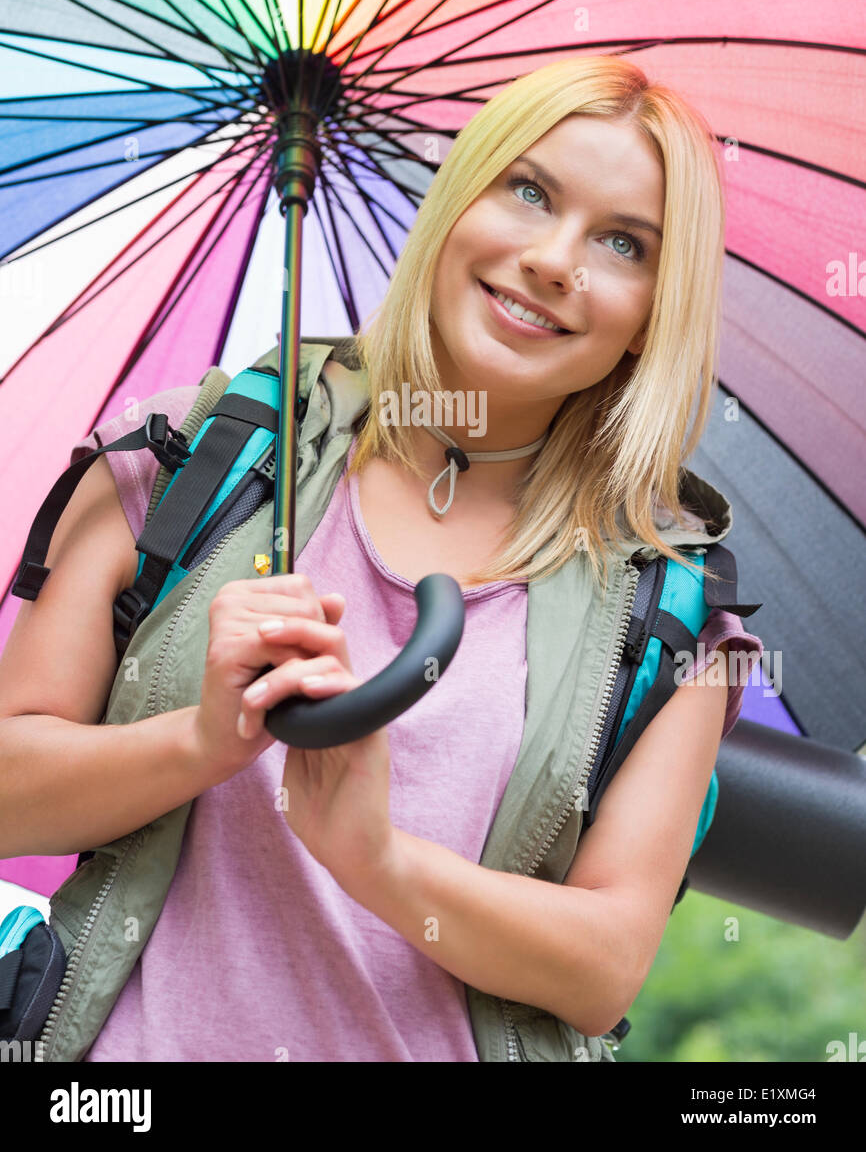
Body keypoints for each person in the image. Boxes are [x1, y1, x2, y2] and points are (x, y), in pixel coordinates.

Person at [0, 54, 762, 1061]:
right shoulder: (198, 455)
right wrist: (202, 743)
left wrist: (379, 862)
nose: (552, 259)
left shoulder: (666, 606)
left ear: (647, 317)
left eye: (621, 243)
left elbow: (603, 963)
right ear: (456, 200)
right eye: (527, 191)